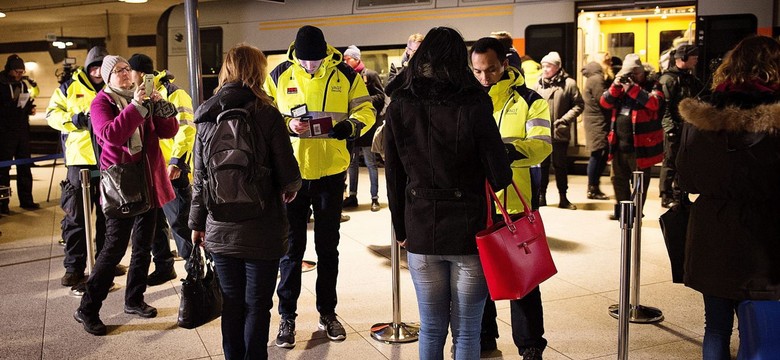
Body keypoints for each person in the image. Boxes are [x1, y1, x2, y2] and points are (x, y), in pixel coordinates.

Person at [385, 27, 513, 360]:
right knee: (467, 332)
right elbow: (500, 177)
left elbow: (394, 174)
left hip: (421, 227)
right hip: (470, 231)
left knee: (430, 328)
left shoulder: (400, 102)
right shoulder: (474, 100)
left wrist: (401, 228)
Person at [263, 25, 375, 347]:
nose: (310, 66)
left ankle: (328, 312)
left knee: (328, 249)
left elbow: (366, 109)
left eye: (315, 61)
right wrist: (287, 124)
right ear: (295, 54)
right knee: (291, 250)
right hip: (292, 174)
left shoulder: (345, 74)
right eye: (305, 61)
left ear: (326, 51)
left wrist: (351, 125)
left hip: (330, 173)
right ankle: (287, 317)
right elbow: (265, 114)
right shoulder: (279, 74)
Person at [190, 44, 302, 360]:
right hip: (262, 228)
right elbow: (290, 177)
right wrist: (289, 187)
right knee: (258, 305)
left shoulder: (206, 114)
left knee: (232, 302)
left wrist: (196, 224)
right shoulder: (267, 114)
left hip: (220, 228)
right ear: (258, 71)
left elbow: (199, 179)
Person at [676, 35, 780, 360]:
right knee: (764, 331)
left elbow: (685, 178)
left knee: (716, 328)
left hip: (713, 235)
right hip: (767, 239)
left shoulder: (698, 120)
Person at [74, 55, 179, 336]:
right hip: (122, 186)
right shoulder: (102, 103)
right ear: (107, 78)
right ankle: (87, 308)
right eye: (118, 71)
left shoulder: (142, 99)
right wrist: (136, 107)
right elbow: (111, 135)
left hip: (148, 181)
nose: (124, 73)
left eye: (125, 69)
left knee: (144, 246)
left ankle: (134, 299)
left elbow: (169, 132)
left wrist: (159, 105)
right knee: (114, 249)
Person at [471, 37, 552, 360]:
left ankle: (531, 344)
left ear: (505, 64)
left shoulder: (530, 99)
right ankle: (484, 335)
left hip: (515, 202)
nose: (484, 78)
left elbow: (543, 144)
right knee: (478, 277)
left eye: (490, 70)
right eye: (477, 71)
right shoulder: (467, 100)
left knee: (524, 278)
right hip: (476, 201)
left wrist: (507, 151)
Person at [46, 46, 123, 286]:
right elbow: (51, 115)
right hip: (79, 163)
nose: (98, 71)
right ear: (88, 67)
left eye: (102, 66)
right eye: (94, 66)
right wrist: (73, 120)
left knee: (106, 217)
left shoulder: (114, 89)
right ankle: (74, 266)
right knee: (76, 218)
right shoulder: (69, 87)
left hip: (108, 161)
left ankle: (104, 263)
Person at [128, 53, 196, 284]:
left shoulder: (175, 93)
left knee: (180, 222)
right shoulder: (135, 95)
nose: (128, 76)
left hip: (171, 169)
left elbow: (187, 129)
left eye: (131, 72)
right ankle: (164, 266)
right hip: (149, 170)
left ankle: (195, 269)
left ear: (141, 73)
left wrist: (177, 162)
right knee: (155, 223)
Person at [600, 53, 664, 220]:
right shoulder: (621, 86)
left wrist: (633, 89)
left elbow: (655, 103)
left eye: (634, 74)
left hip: (641, 146)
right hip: (619, 144)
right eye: (628, 74)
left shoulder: (653, 84)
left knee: (639, 182)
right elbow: (605, 102)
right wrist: (616, 85)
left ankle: (636, 213)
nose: (631, 77)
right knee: (618, 180)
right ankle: (624, 213)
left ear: (641, 72)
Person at [533, 51, 583, 210]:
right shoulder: (538, 84)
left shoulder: (569, 84)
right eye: (543, 66)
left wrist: (564, 120)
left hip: (559, 132)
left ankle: (563, 197)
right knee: (543, 166)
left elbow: (579, 105)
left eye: (549, 66)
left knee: (560, 165)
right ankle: (541, 196)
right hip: (542, 133)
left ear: (557, 67)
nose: (545, 69)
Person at [658, 44, 703, 209]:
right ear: (682, 58)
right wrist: (670, 129)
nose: (696, 61)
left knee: (683, 163)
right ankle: (666, 195)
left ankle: (679, 194)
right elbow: (664, 108)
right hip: (674, 128)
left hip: (686, 128)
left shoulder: (689, 78)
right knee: (670, 162)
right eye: (694, 57)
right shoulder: (668, 79)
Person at [342, 45, 385, 212]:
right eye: (344, 59)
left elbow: (381, 96)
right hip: (353, 126)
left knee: (370, 162)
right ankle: (352, 196)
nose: (345, 61)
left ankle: (374, 198)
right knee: (352, 163)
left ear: (357, 59)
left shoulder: (370, 74)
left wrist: (363, 100)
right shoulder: (346, 76)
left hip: (366, 126)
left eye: (348, 59)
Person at [0, 54, 38, 214]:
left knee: (24, 167)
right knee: (3, 171)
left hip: (22, 131)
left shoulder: (22, 85)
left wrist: (29, 108)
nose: (19, 75)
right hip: (4, 133)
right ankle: (3, 204)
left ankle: (26, 200)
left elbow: (25, 102)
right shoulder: (1, 84)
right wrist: (11, 106)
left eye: (22, 72)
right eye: (17, 71)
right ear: (9, 69)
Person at [581, 55, 613, 201]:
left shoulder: (592, 78)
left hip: (595, 121)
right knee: (598, 154)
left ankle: (593, 187)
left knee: (599, 153)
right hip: (597, 122)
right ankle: (592, 188)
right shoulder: (597, 79)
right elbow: (603, 100)